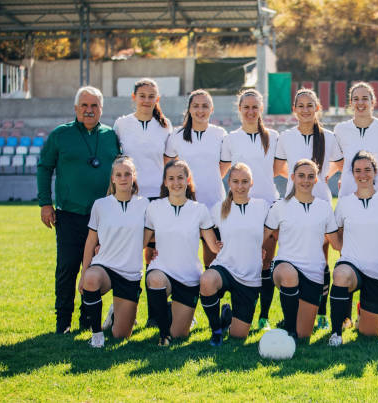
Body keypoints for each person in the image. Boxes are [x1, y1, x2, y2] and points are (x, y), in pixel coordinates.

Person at [37, 86, 120, 334]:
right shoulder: (60, 135)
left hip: (103, 217)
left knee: (95, 268)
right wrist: (45, 203)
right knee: (67, 268)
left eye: (94, 105)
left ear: (101, 109)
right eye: (84, 105)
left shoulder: (110, 136)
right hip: (70, 214)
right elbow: (44, 167)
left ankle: (88, 318)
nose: (89, 110)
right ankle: (63, 321)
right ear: (76, 108)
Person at [274, 88, 343, 330]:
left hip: (320, 201)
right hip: (293, 201)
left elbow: (341, 164)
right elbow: (277, 167)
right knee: (292, 252)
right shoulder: (285, 137)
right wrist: (296, 180)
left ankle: (321, 312)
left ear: (317, 109)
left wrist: (321, 177)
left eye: (309, 105)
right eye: (300, 105)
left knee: (320, 258)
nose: (305, 110)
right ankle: (292, 309)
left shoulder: (330, 137)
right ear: (294, 110)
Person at [328, 151, 378, 346]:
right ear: (352, 174)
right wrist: (343, 248)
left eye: (367, 170)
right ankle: (336, 333)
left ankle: (361, 316)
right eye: (358, 170)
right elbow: (335, 235)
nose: (362, 174)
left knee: (369, 334)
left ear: (376, 172)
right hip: (351, 266)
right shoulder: (345, 203)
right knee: (340, 275)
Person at [113, 78, 173, 328]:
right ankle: (123, 311)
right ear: (134, 97)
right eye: (143, 95)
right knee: (128, 253)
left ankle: (155, 312)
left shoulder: (165, 126)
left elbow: (169, 163)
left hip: (157, 198)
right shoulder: (122, 124)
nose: (147, 100)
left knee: (154, 255)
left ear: (157, 100)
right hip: (131, 198)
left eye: (152, 96)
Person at [144, 159, 221, 345]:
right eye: (171, 178)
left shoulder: (200, 210)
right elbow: (141, 242)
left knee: (180, 335)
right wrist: (104, 247)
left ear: (188, 180)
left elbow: (213, 246)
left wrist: (241, 249)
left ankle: (174, 314)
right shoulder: (154, 207)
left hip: (189, 278)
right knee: (154, 280)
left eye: (180, 177)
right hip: (162, 270)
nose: (176, 182)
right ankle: (164, 335)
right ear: (165, 182)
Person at [221, 89, 279, 330]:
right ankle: (233, 311)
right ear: (240, 109)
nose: (251, 111)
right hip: (238, 208)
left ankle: (263, 316)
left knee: (265, 262)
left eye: (255, 107)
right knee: (238, 260)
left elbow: (279, 168)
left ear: (261, 109)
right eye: (246, 107)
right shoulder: (230, 138)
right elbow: (222, 172)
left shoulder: (274, 137)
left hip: (267, 207)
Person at [264, 159, 342, 339]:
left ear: (316, 180)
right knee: (289, 274)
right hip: (284, 266)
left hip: (313, 273)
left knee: (304, 335)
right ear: (292, 178)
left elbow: (336, 244)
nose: (305, 180)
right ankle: (289, 330)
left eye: (310, 176)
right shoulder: (280, 206)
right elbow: (262, 236)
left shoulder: (324, 207)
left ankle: (293, 327)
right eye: (301, 176)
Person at [78, 156, 149, 347]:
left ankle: (114, 314)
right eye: (119, 174)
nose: (123, 178)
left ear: (134, 177)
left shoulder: (145, 205)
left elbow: (152, 235)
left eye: (127, 174)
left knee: (121, 335)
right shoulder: (100, 205)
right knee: (91, 278)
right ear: (113, 178)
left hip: (130, 274)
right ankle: (96, 335)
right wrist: (84, 272)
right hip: (105, 268)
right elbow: (91, 241)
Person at [200, 163, 270, 346]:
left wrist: (260, 249)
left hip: (249, 277)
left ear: (252, 183)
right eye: (236, 181)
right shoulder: (218, 208)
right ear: (228, 182)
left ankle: (226, 318)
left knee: (239, 336)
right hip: (226, 267)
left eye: (245, 181)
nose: (240, 186)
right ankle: (216, 329)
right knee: (207, 280)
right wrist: (214, 246)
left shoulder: (262, 207)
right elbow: (202, 228)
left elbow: (270, 233)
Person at [168, 89, 227, 267]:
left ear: (212, 109)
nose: (200, 110)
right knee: (185, 255)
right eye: (196, 106)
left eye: (205, 106)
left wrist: (208, 179)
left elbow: (223, 166)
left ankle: (211, 293)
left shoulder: (220, 134)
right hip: (186, 203)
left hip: (215, 201)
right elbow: (169, 167)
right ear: (189, 109)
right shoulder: (176, 135)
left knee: (213, 255)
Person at [334, 82, 378, 198]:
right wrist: (344, 175)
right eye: (356, 99)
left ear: (372, 102)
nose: (360, 102)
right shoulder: (340, 129)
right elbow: (337, 160)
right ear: (351, 103)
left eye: (365, 98)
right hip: (348, 193)